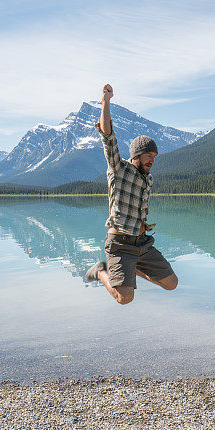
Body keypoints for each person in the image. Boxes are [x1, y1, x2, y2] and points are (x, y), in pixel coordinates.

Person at [84, 84, 178, 304]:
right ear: (136, 154)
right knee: (125, 298)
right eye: (148, 155)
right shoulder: (119, 169)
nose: (152, 160)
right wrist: (106, 102)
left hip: (142, 243)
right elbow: (108, 136)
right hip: (119, 244)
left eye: (154, 156)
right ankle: (100, 272)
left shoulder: (149, 178)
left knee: (171, 283)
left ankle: (130, 270)